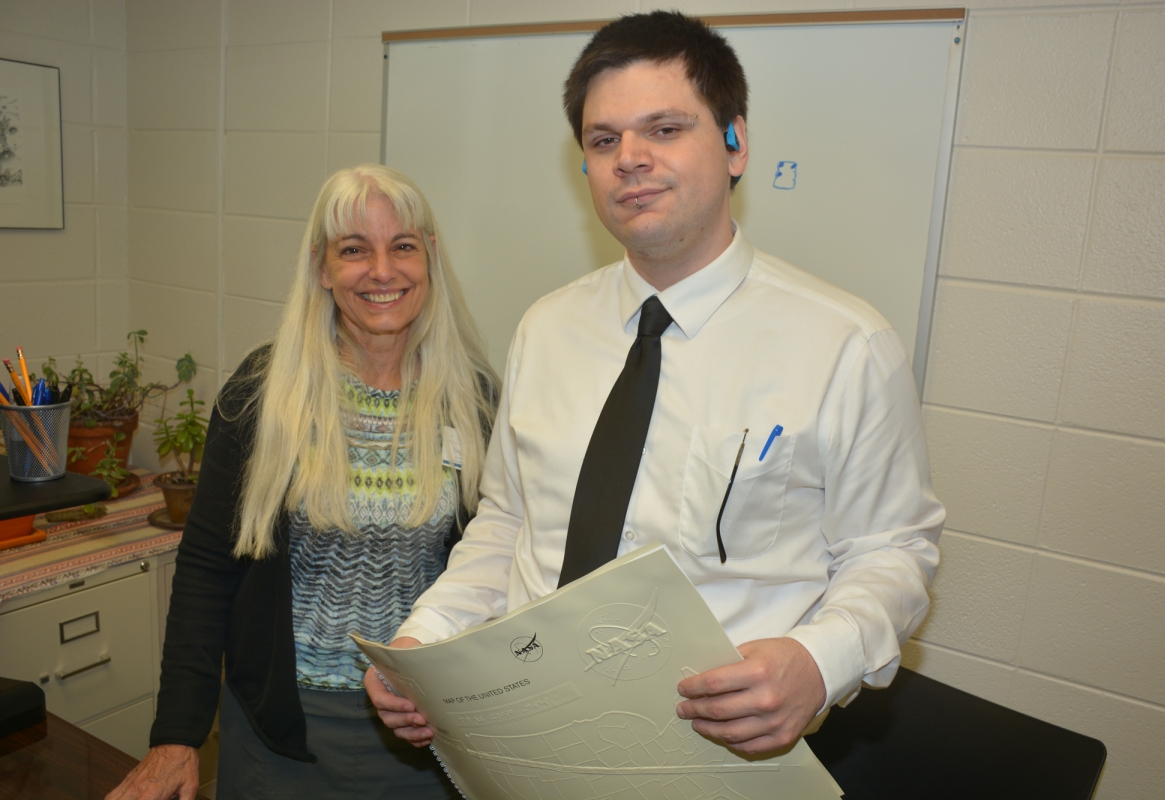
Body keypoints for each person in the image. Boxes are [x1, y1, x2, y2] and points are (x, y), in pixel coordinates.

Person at [368, 11, 944, 758]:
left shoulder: (844, 345)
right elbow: (509, 524)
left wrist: (819, 660)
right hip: (535, 743)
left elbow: (892, 550)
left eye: (665, 129)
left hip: (716, 759)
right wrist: (427, 640)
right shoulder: (546, 329)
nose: (628, 159)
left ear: (736, 143)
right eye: (603, 140)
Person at [107, 164, 498, 800]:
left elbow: (495, 565)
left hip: (424, 727)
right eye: (354, 250)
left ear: (429, 257)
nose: (381, 270)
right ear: (322, 267)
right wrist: (176, 736)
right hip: (280, 732)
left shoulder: (474, 399)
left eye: (402, 246)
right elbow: (207, 570)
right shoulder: (264, 394)